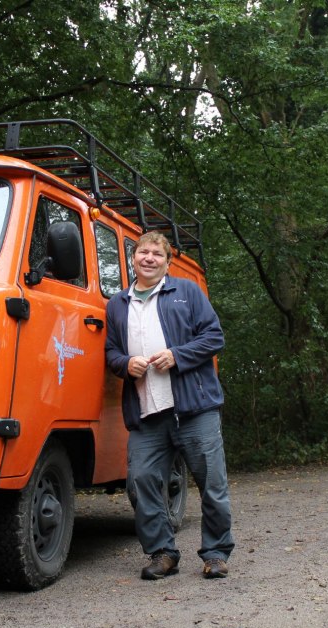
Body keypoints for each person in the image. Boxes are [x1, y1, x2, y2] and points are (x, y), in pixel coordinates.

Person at [105, 231, 234, 580]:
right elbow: (111, 352)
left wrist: (177, 356)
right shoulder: (117, 303)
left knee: (212, 483)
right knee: (141, 480)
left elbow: (213, 336)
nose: (149, 258)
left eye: (156, 254)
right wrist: (124, 364)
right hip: (147, 412)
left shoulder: (187, 292)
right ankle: (163, 553)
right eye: (143, 252)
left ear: (167, 262)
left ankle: (216, 553)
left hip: (194, 407)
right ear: (133, 259)